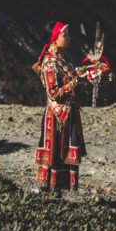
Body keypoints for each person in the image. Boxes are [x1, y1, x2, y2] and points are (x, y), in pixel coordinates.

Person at [32, 21, 87, 195]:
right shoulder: (49, 62)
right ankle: (47, 188)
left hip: (67, 113)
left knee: (62, 153)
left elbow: (73, 78)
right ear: (55, 39)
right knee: (55, 152)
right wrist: (74, 84)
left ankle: (57, 190)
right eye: (65, 35)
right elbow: (54, 93)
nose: (69, 38)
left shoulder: (64, 58)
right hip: (56, 115)